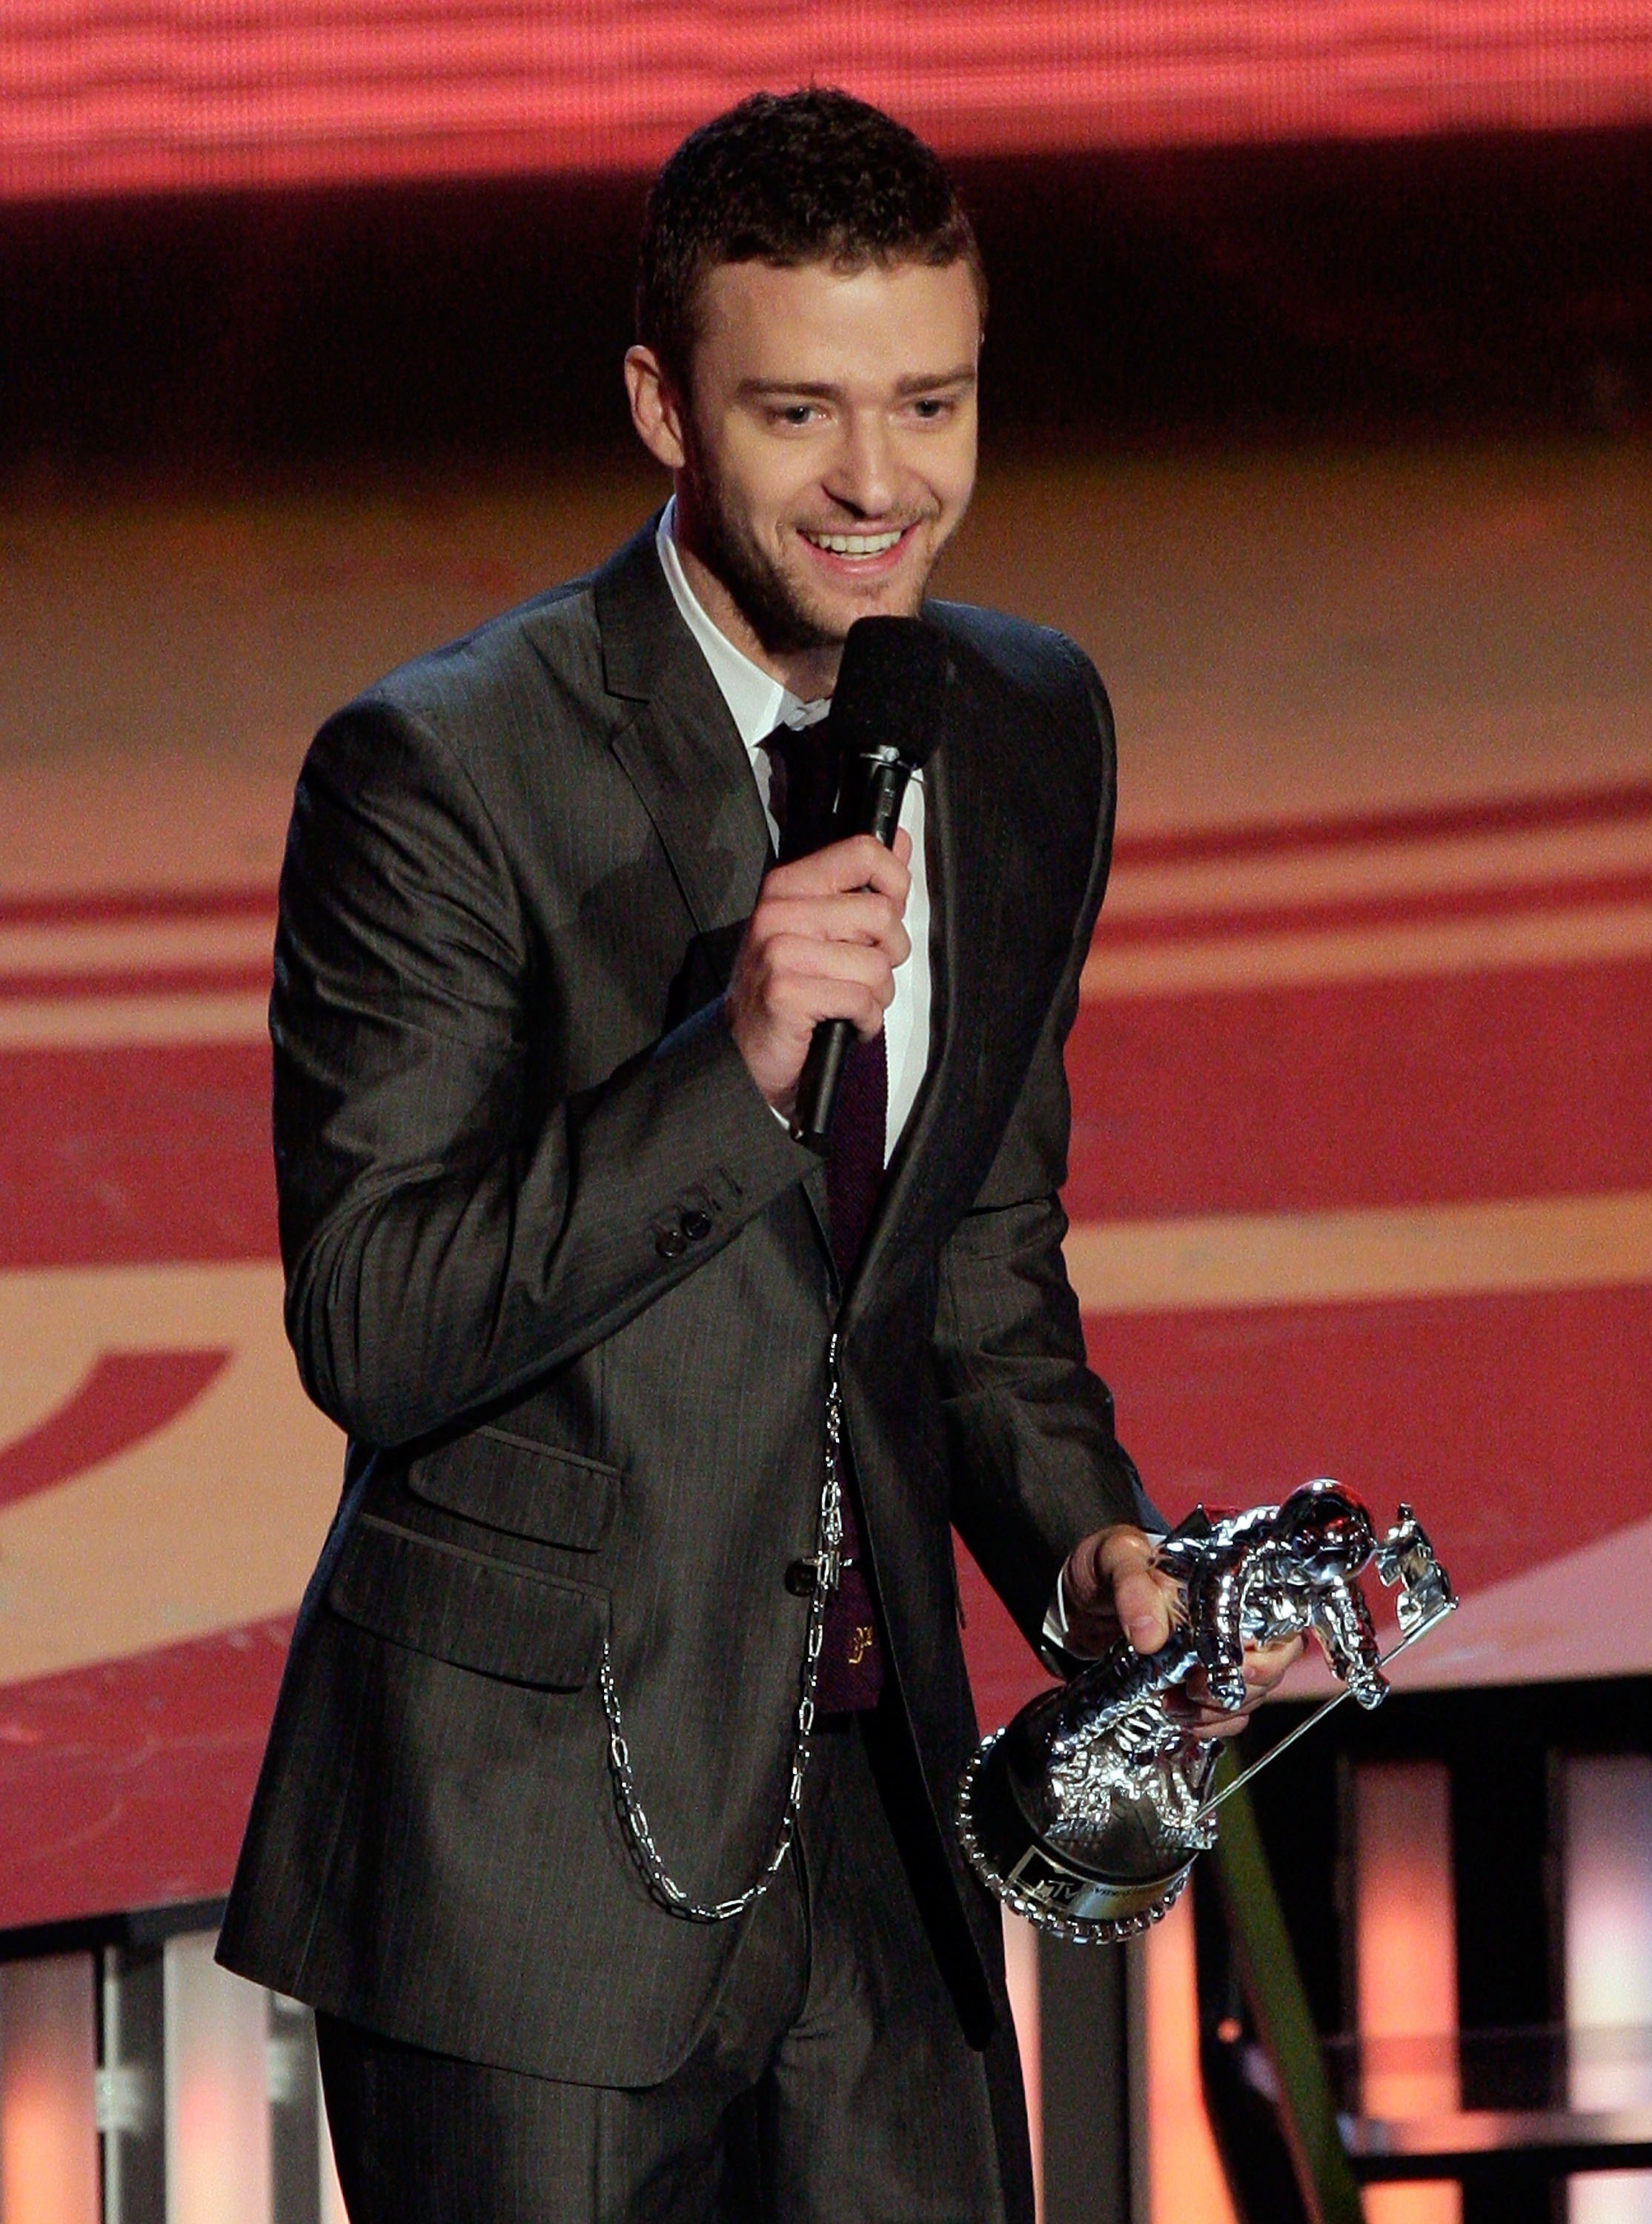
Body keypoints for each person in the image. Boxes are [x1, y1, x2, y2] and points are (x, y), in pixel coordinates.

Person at [219, 87, 1295, 2222]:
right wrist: (736, 1059)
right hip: (528, 1855)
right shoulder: (441, 769)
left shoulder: (1023, 724)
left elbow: (975, 1261)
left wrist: (1091, 1551)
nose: (880, 485)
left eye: (935, 404)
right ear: (663, 404)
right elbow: (379, 1319)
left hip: (884, 1849)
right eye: (801, 412)